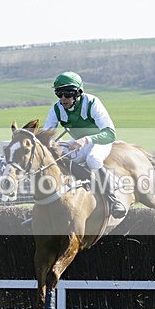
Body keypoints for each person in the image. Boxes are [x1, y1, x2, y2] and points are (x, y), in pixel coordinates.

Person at [41, 71, 126, 218]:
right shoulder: (56, 109)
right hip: (78, 144)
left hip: (100, 141)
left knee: (93, 159)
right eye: (59, 94)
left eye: (68, 93)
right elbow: (46, 134)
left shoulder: (92, 103)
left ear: (77, 93)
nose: (63, 98)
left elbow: (110, 134)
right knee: (59, 158)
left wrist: (86, 140)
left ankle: (113, 200)